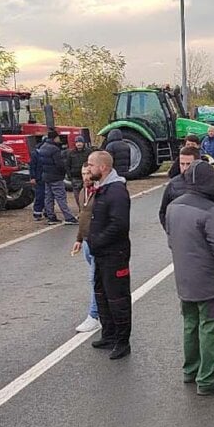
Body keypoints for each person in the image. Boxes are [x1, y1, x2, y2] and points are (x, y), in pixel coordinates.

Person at [159, 146, 214, 355]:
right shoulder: (174, 186)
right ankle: (206, 376)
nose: (184, 168)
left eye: (188, 164)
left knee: (205, 317)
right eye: (182, 163)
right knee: (206, 320)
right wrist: (177, 236)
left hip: (200, 253)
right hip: (196, 259)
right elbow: (164, 214)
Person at [164, 160, 214, 395]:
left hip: (184, 276)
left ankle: (191, 370)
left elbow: (171, 239)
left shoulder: (173, 206)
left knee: (190, 324)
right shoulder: (211, 210)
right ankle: (207, 378)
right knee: (212, 327)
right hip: (209, 279)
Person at [85, 151, 133, 360]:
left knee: (118, 299)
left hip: (115, 254)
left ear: (103, 167)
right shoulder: (101, 189)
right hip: (101, 254)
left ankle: (123, 342)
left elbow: (119, 225)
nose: (87, 169)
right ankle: (109, 334)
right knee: (102, 295)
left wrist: (97, 240)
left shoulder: (116, 192)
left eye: (91, 165)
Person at [71, 164, 101, 333]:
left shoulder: (99, 192)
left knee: (94, 279)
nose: (85, 177)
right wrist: (79, 238)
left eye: (88, 173)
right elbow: (83, 217)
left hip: (97, 242)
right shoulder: (83, 192)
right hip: (87, 241)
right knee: (98, 279)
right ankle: (103, 312)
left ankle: (94, 315)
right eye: (83, 174)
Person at [39, 130, 78, 225]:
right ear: (55, 138)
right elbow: (59, 164)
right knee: (61, 197)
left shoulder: (42, 147)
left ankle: (51, 217)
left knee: (48, 197)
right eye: (58, 137)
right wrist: (64, 171)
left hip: (46, 176)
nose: (59, 139)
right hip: (56, 177)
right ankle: (68, 217)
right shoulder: (55, 149)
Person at [64, 135, 93, 210]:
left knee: (87, 195)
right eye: (77, 142)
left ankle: (87, 210)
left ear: (83, 143)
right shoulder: (71, 153)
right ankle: (81, 210)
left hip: (86, 178)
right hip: (75, 178)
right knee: (77, 197)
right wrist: (70, 176)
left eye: (80, 142)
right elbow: (67, 165)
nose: (78, 144)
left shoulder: (89, 152)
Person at [30, 137, 46, 221]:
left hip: (47, 177)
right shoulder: (36, 153)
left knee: (48, 196)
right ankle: (37, 212)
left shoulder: (48, 152)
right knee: (40, 195)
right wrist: (33, 177)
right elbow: (32, 166)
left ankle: (48, 211)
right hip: (39, 177)